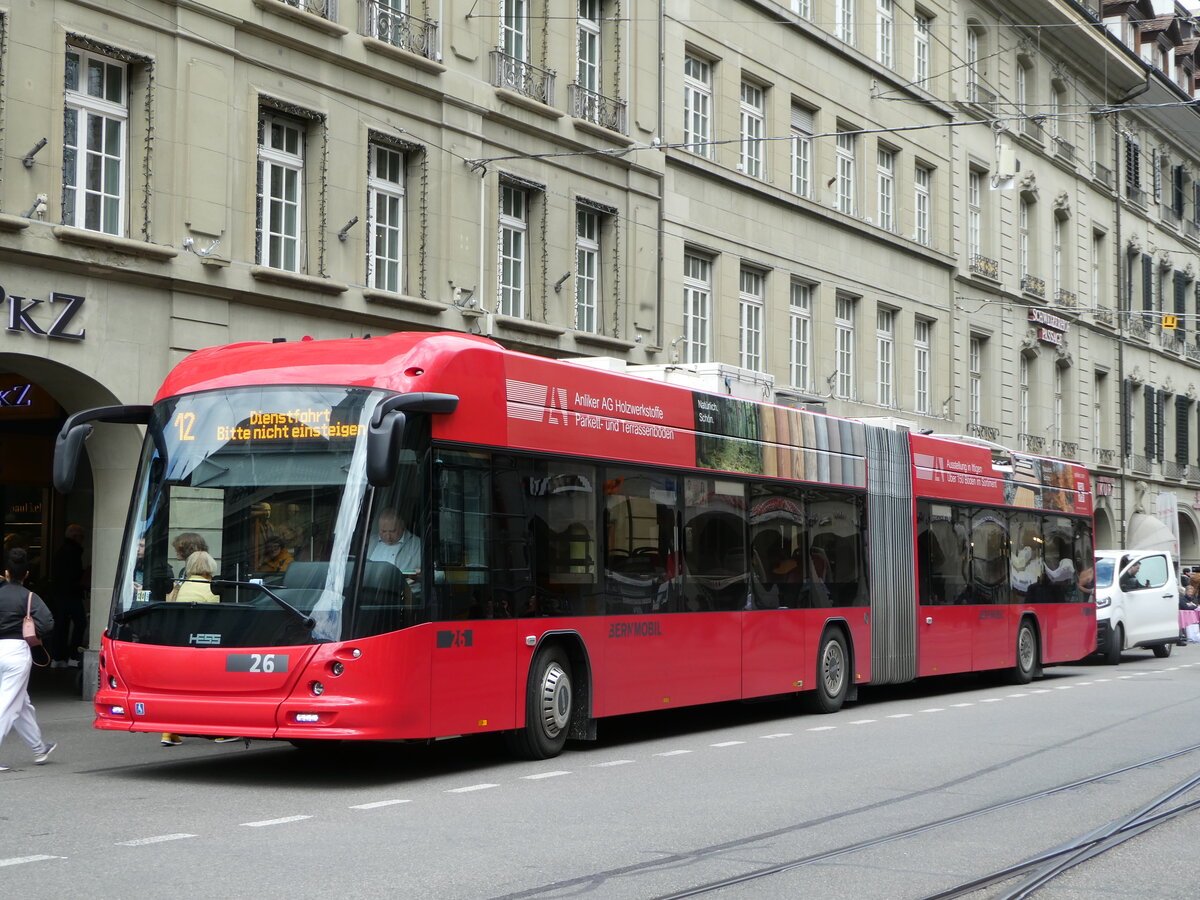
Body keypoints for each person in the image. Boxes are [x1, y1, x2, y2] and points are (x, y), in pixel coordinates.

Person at [0, 548, 58, 770]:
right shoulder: (29, 597)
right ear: (26, 575)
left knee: (20, 703)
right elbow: (47, 623)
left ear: (6, 572)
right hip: (16, 650)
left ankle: (38, 748)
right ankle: (38, 748)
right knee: (8, 705)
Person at [49, 524, 87, 669]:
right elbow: (73, 574)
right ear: (75, 536)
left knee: (61, 625)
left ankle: (57, 657)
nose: (82, 540)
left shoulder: (62, 550)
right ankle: (72, 654)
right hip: (71, 593)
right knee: (80, 622)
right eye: (81, 536)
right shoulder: (73, 552)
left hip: (60, 593)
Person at [368, 510, 422, 577]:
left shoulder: (418, 546)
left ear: (402, 525)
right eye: (383, 531)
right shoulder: (370, 542)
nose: (388, 536)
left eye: (392, 531)